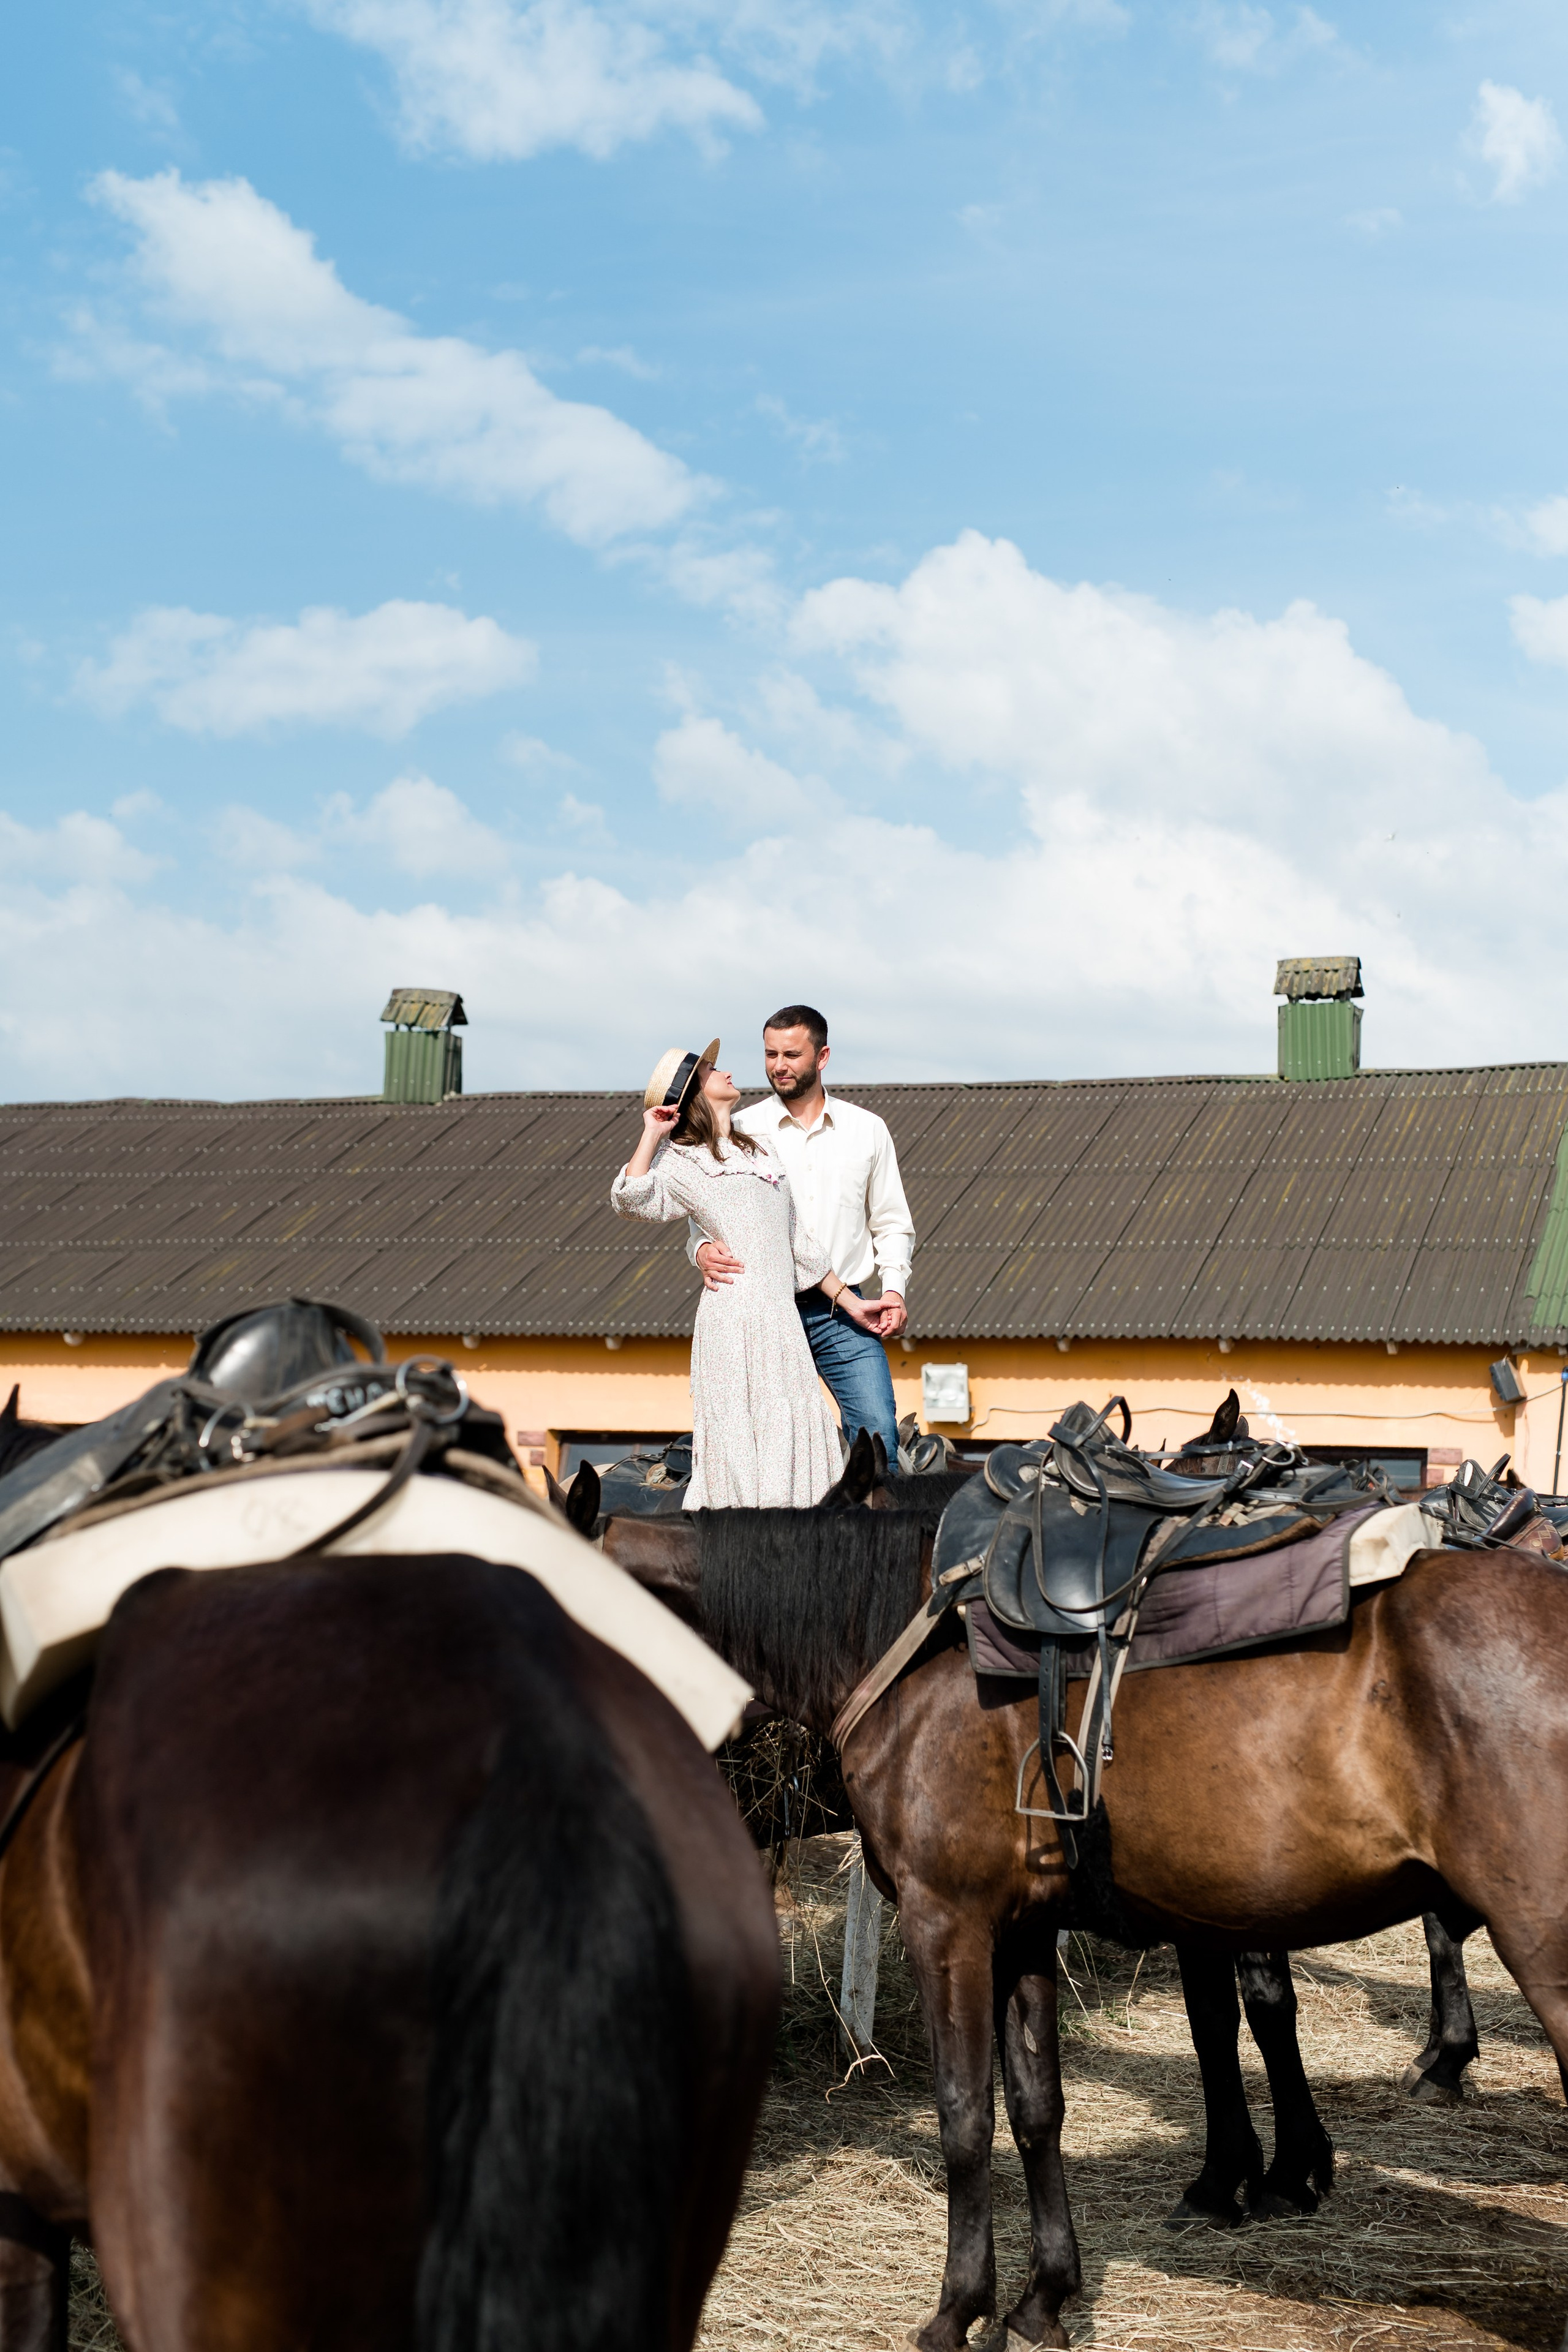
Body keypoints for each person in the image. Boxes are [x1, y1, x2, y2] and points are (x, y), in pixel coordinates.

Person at [611, 1039, 886, 1509]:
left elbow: (797, 1243)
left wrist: (853, 1301)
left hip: (780, 1321)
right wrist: (652, 1135)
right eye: (713, 1071)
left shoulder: (758, 1151)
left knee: (795, 1434)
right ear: (694, 1093)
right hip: (734, 1318)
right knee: (745, 1439)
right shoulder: (682, 1160)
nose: (727, 1073)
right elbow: (631, 1200)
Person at [688, 1005, 913, 1461]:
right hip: (763, 1312)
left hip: (843, 1312)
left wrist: (894, 1290)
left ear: (822, 1056)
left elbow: (891, 1222)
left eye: (791, 1054)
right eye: (771, 1054)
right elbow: (702, 1219)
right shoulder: (740, 1129)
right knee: (772, 1453)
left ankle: (873, 1535)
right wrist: (702, 1249)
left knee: (878, 1439)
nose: (779, 1066)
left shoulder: (867, 1130)